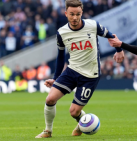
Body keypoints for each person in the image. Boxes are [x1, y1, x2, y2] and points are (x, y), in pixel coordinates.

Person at [35, 0, 124, 138]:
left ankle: (82, 122)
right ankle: (48, 130)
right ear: (66, 14)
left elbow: (111, 36)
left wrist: (119, 50)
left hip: (90, 75)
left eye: (78, 14)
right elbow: (60, 57)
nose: (75, 18)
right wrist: (55, 78)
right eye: (72, 14)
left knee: (73, 112)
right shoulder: (62, 32)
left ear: (82, 13)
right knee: (50, 99)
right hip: (71, 71)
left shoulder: (93, 25)